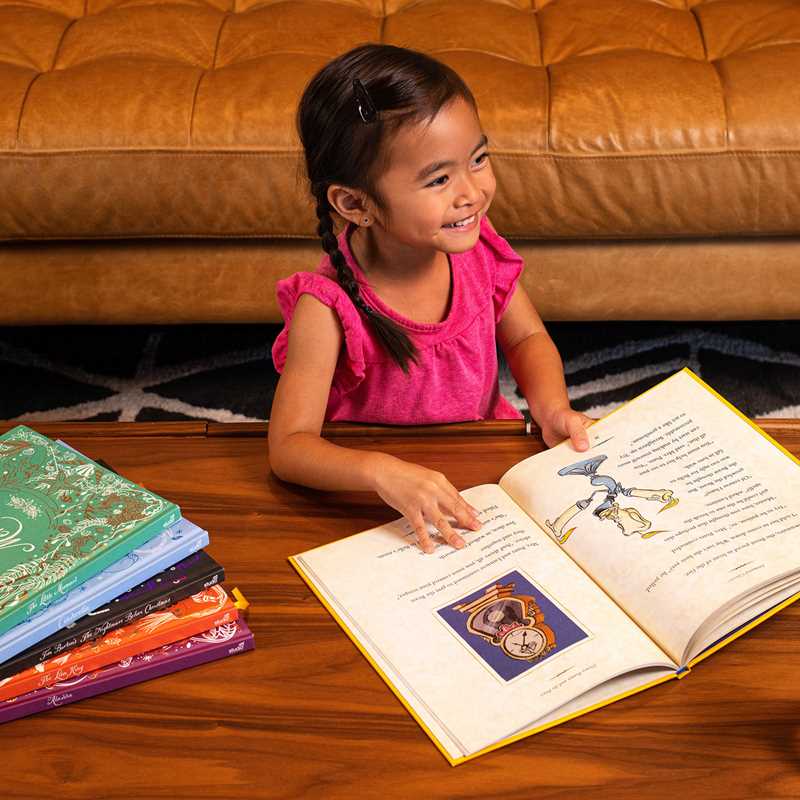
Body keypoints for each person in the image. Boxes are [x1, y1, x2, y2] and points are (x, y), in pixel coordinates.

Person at [268, 43, 594, 555]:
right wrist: (380, 470)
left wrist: (552, 408)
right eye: (439, 179)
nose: (471, 192)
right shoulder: (326, 305)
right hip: (377, 493)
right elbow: (288, 448)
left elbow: (528, 336)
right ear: (355, 203)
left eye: (479, 159)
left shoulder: (477, 249)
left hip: (479, 465)